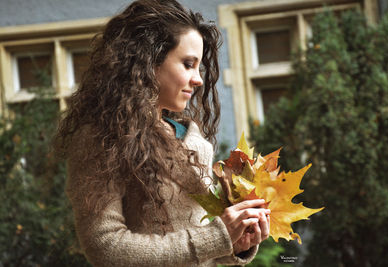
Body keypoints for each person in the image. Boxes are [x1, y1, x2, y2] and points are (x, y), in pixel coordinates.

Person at [54, 0, 270, 266]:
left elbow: (201, 235)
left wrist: (235, 242)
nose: (199, 79)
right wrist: (216, 237)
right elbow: (105, 246)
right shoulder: (103, 138)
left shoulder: (191, 137)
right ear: (148, 62)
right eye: (188, 64)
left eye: (199, 66)